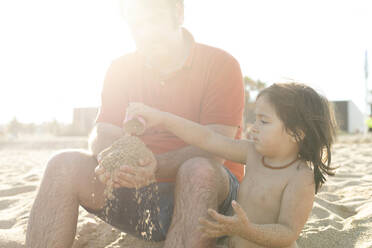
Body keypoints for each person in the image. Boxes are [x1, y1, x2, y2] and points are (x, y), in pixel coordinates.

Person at [25, 0, 245, 247]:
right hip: (138, 193)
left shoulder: (220, 64)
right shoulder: (121, 68)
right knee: (62, 165)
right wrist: (113, 161)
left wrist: (153, 167)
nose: (146, 32)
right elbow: (105, 130)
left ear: (178, 13)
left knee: (198, 170)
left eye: (155, 21)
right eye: (137, 24)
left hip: (211, 197)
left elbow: (217, 150)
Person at [126, 82, 337, 247]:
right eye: (255, 119)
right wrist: (163, 119)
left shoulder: (300, 177)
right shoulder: (252, 153)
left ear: (296, 133)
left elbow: (288, 232)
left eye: (263, 122)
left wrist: (246, 230)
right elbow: (208, 138)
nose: (253, 128)